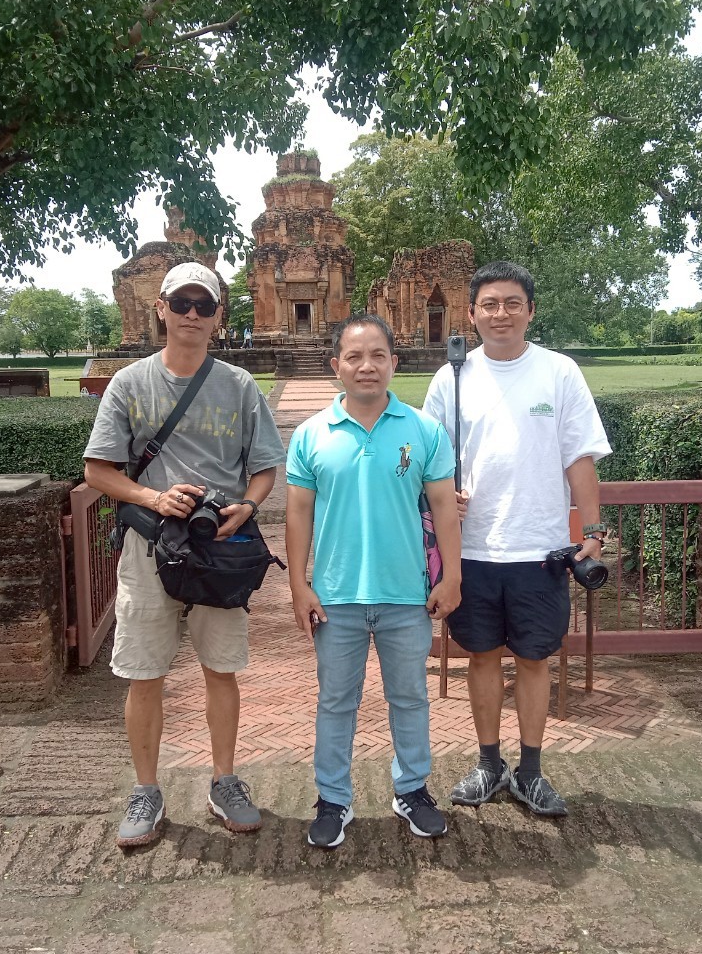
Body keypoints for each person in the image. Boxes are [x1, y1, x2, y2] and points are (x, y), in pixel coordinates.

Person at [83, 261, 285, 848]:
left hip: (218, 547)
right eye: (182, 303)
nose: (192, 314)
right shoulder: (130, 383)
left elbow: (267, 466)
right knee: (145, 674)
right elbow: (98, 470)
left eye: (204, 304)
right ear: (161, 309)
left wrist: (248, 506)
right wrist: (153, 496)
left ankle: (224, 779)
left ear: (219, 315)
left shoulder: (239, 385)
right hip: (150, 546)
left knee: (221, 669)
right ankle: (146, 788)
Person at [423, 261, 611, 818]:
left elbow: (578, 456)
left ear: (530, 310)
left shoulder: (558, 372)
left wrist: (593, 530)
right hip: (472, 549)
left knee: (534, 659)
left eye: (511, 303)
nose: (500, 313)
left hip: (540, 547)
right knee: (480, 656)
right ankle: (488, 763)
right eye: (489, 304)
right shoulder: (452, 376)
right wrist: (440, 495)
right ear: (473, 313)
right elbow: (431, 457)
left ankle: (530, 770)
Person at [286, 314, 462, 848]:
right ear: (336, 364)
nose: (367, 366)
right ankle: (333, 799)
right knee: (336, 701)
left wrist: (451, 576)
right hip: (336, 595)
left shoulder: (423, 430)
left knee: (408, 698)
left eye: (378, 355)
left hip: (406, 593)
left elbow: (443, 509)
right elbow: (298, 516)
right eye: (355, 357)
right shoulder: (311, 435)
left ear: (394, 361)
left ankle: (412, 790)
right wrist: (299, 585)